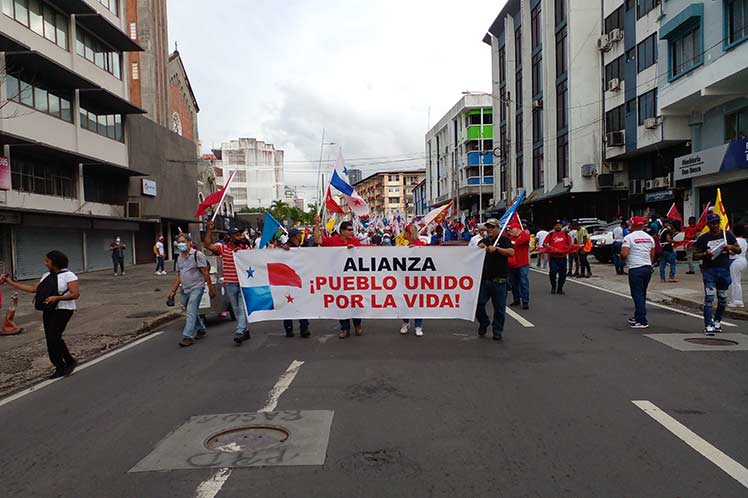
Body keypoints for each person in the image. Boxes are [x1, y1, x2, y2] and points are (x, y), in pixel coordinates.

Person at [0, 251, 80, 378]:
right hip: (49, 310)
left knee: (54, 337)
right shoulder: (46, 275)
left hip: (64, 310)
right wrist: (10, 282)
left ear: (55, 262)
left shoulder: (69, 275)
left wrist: (57, 298)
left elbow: (75, 294)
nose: (45, 263)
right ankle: (60, 366)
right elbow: (33, 289)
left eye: (47, 261)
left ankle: (68, 362)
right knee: (51, 339)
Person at [313, 215, 364, 339]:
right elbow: (317, 240)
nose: (352, 232)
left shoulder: (356, 241)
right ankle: (345, 328)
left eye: (352, 230)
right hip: (338, 279)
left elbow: (366, 254)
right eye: (349, 230)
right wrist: (317, 224)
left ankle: (357, 325)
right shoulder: (333, 241)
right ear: (342, 231)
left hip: (353, 279)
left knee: (355, 303)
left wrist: (355, 250)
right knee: (342, 303)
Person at [203, 222, 251, 345]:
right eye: (236, 235)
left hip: (242, 283)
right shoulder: (223, 248)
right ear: (230, 237)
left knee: (241, 308)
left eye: (240, 234)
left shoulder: (245, 248)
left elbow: (253, 259)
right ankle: (244, 330)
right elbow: (207, 245)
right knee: (235, 309)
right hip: (230, 283)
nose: (239, 236)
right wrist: (209, 230)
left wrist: (242, 253)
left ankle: (239, 331)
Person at [694, 214, 742, 335]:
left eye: (717, 223)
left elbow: (738, 250)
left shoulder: (727, 235)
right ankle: (708, 324)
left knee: (722, 299)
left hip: (724, 271)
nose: (715, 225)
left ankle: (717, 321)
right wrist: (706, 254)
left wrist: (729, 247)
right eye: (712, 223)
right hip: (709, 271)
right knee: (709, 298)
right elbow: (695, 255)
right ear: (708, 225)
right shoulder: (703, 238)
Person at [168, 234, 215, 347]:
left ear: (189, 243)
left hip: (197, 287)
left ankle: (187, 336)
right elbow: (179, 275)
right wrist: (173, 291)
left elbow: (205, 272)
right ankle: (201, 329)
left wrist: (210, 287)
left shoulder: (197, 255)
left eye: (183, 242)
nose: (181, 244)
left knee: (190, 311)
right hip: (185, 288)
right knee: (190, 309)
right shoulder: (179, 257)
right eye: (179, 242)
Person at [475, 218, 514, 340]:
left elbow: (511, 252)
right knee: (478, 304)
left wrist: (497, 249)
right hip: (484, 280)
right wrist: (478, 248)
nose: (490, 230)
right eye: (488, 227)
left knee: (499, 308)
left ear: (497, 228)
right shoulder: (483, 241)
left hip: (499, 280)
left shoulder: (504, 240)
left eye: (492, 227)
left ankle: (497, 330)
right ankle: (484, 322)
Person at [621, 217, 655, 329]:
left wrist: (621, 257)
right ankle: (637, 316)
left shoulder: (628, 238)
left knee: (637, 294)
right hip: (647, 267)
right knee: (642, 293)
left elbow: (624, 254)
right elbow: (652, 254)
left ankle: (642, 320)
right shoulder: (649, 238)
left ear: (632, 225)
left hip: (635, 268)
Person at [281, 228, 311, 338]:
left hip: (300, 279)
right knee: (288, 303)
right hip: (288, 280)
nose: (301, 236)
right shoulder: (286, 247)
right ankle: (289, 328)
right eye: (300, 234)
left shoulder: (302, 246)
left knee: (302, 304)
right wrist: (282, 248)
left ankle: (304, 327)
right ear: (294, 236)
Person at [400, 224, 426, 337]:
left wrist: (415, 251)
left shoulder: (421, 245)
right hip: (404, 278)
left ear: (409, 233)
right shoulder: (401, 245)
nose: (403, 234)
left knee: (417, 302)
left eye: (404, 232)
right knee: (405, 301)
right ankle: (405, 323)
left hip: (418, 279)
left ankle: (418, 325)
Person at [508, 222, 531, 309]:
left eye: (512, 229)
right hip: (513, 264)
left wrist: (516, 240)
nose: (510, 231)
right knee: (514, 283)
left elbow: (523, 240)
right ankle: (516, 299)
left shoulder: (524, 236)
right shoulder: (510, 238)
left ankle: (525, 301)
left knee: (523, 282)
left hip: (522, 264)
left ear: (517, 229)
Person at [544, 220, 571, 295]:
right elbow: (544, 243)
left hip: (562, 257)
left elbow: (570, 244)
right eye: (556, 225)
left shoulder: (565, 235)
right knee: (552, 272)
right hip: (553, 257)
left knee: (563, 274)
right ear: (554, 226)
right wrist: (549, 247)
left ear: (562, 226)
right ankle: (553, 287)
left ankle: (560, 288)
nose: (558, 226)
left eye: (559, 225)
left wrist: (567, 248)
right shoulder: (551, 234)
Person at [728, 224, 747, 308]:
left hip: (736, 261)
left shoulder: (735, 241)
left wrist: (727, 249)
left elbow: (733, 252)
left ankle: (738, 301)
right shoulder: (744, 241)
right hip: (743, 260)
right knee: (736, 281)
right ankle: (735, 299)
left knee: (735, 282)